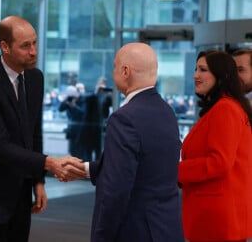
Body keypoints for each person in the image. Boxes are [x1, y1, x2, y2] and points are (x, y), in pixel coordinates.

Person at [0, 16, 86, 242]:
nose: (33, 51)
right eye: (25, 45)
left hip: (20, 192)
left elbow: (33, 134)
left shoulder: (35, 78)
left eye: (35, 43)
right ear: (4, 47)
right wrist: (49, 163)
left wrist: (38, 181)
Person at [81, 42, 184, 241]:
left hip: (135, 231)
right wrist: (87, 169)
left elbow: (116, 191)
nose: (113, 73)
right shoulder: (166, 112)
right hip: (166, 229)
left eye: (114, 67)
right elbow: (148, 169)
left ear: (125, 71)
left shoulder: (124, 118)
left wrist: (101, 237)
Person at [178, 50, 252, 242]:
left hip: (217, 221)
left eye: (203, 70)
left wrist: (174, 170)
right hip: (215, 218)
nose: (195, 75)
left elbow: (219, 162)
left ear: (221, 76)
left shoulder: (225, 109)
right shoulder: (224, 108)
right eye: (196, 69)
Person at [59, 85, 86, 158]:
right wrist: (65, 100)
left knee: (80, 153)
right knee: (72, 151)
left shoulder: (83, 99)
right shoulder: (69, 100)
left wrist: (74, 106)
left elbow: (83, 113)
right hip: (71, 130)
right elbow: (60, 109)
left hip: (80, 131)